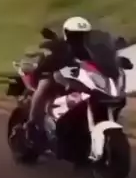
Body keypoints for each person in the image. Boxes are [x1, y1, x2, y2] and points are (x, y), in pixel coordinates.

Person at [24, 16, 93, 145]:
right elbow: (46, 55)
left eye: (83, 35)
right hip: (53, 74)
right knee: (45, 84)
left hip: (76, 78)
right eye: (75, 35)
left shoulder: (90, 50)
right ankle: (32, 125)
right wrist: (49, 55)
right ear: (67, 34)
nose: (79, 39)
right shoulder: (60, 46)